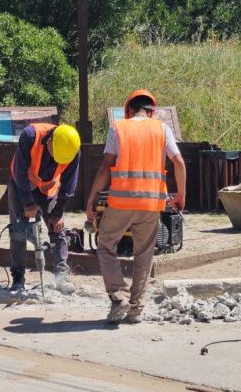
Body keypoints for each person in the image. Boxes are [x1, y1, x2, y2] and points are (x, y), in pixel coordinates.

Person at [85, 90, 186, 323]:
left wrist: (91, 199)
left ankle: (118, 295)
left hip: (121, 201)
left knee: (106, 244)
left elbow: (105, 167)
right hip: (151, 203)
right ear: (151, 112)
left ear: (128, 110)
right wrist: (180, 194)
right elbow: (178, 161)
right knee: (144, 254)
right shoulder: (162, 129)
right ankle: (136, 309)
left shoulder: (118, 128)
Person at [8, 123, 81, 294]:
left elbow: (70, 184)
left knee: (58, 228)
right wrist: (28, 203)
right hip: (22, 185)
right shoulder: (30, 136)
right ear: (50, 141)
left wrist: (58, 212)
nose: (57, 161)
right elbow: (20, 172)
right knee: (19, 229)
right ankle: (18, 278)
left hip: (48, 187)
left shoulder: (72, 149)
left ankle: (61, 278)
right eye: (55, 156)